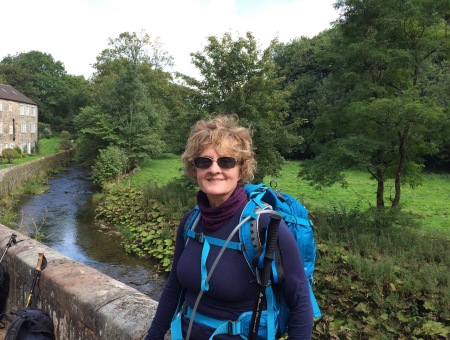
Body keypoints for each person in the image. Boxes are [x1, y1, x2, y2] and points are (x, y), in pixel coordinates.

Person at [145, 114, 313, 339]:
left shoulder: (264, 226)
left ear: (241, 170)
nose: (214, 169)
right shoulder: (190, 222)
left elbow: (301, 304)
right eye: (204, 161)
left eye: (226, 161)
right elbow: (174, 288)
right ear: (194, 169)